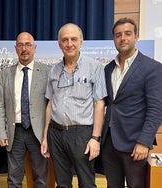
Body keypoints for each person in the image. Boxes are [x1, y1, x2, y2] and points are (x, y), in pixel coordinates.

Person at [41, 23, 107, 188]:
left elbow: (99, 104)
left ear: (81, 42)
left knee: (86, 182)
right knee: (62, 183)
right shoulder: (54, 71)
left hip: (82, 134)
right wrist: (45, 137)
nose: (69, 44)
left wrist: (95, 138)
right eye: (65, 40)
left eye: (73, 39)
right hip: (55, 133)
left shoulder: (95, 67)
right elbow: (50, 104)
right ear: (59, 44)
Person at [101, 17, 162, 188]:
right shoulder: (108, 69)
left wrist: (144, 142)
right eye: (118, 35)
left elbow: (156, 109)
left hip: (135, 144)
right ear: (114, 39)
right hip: (109, 143)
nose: (123, 38)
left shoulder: (152, 67)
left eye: (128, 34)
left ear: (136, 36)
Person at [0, 32, 51, 188]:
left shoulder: (47, 72)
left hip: (38, 133)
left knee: (41, 177)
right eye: (20, 45)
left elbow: (52, 105)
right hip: (15, 132)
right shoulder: (5, 73)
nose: (24, 49)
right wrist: (1, 132)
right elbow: (0, 105)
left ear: (34, 47)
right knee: (13, 178)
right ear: (15, 48)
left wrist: (48, 134)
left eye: (28, 45)